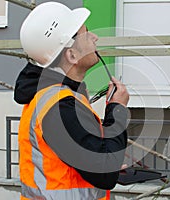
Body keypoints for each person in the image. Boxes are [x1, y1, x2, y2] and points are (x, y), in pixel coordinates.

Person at [14, 2, 129, 200]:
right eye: (87, 34)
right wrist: (117, 110)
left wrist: (106, 155)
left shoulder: (59, 97)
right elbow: (105, 174)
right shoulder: (60, 107)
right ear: (72, 55)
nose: (95, 38)